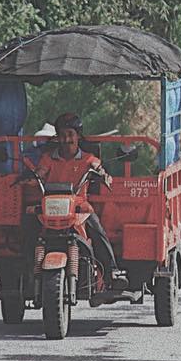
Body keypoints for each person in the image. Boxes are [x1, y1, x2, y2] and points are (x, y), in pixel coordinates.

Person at [35, 112, 128, 290]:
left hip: (80, 208)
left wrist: (103, 175)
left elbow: (97, 167)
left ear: (78, 136)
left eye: (70, 134)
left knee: (98, 231)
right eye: (62, 135)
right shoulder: (48, 158)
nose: (66, 139)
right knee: (28, 228)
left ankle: (111, 272)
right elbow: (40, 172)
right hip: (50, 206)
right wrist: (32, 177)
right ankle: (25, 273)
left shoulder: (87, 158)